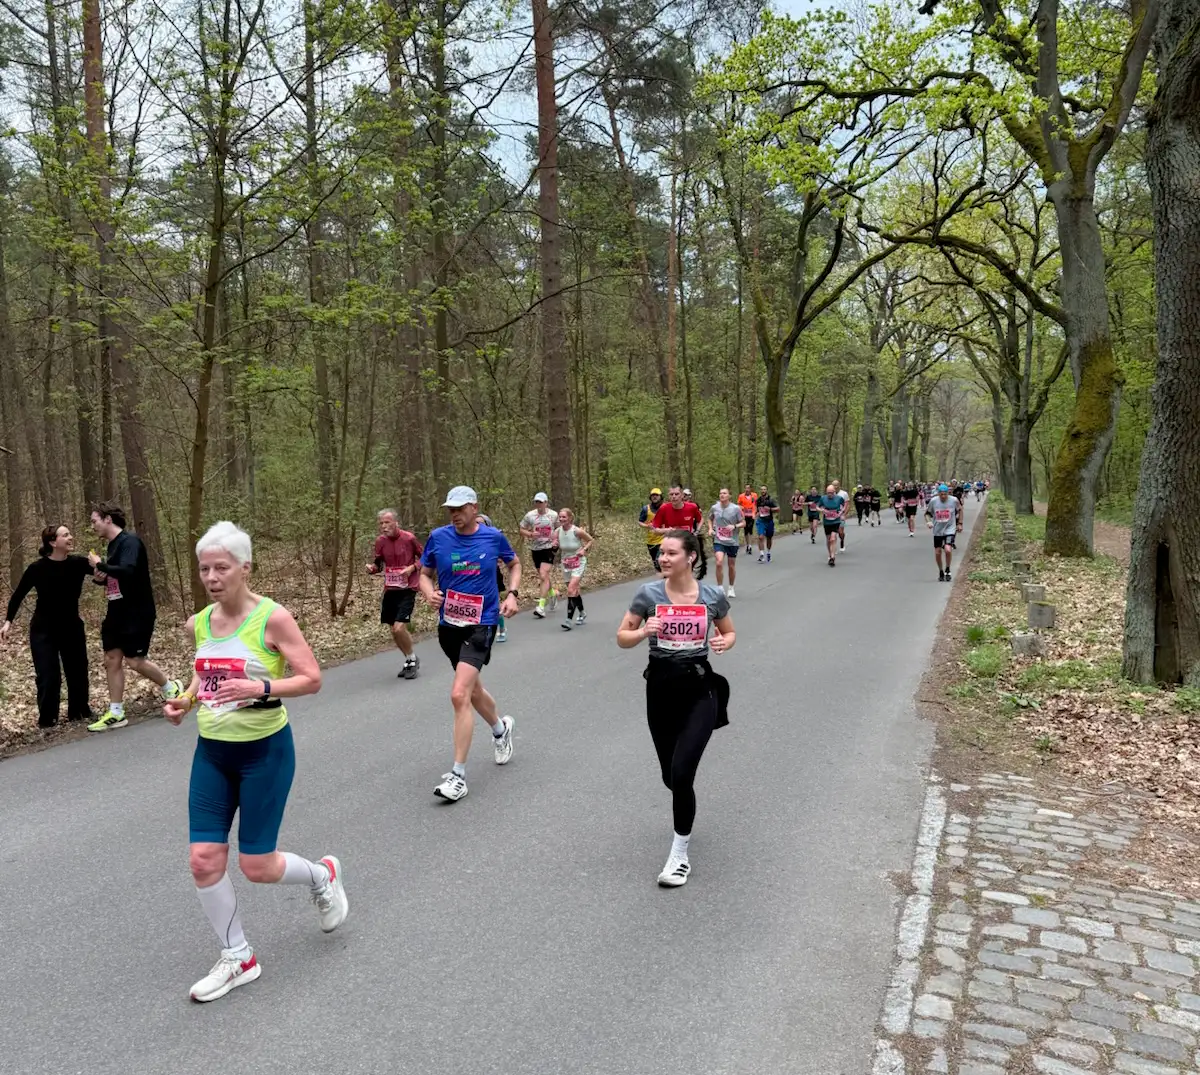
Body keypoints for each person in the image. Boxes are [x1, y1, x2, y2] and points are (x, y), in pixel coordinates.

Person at [162, 521, 347, 1003]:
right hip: (213, 753)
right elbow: (207, 676)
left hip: (265, 751)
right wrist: (185, 701)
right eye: (205, 568)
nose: (212, 577)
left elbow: (311, 679)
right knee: (203, 860)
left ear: (245, 567)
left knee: (258, 866)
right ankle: (237, 956)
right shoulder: (199, 622)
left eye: (221, 567)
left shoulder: (272, 619)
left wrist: (260, 687)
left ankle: (322, 875)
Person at [616, 530, 734, 888]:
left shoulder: (712, 596)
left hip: (700, 690)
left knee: (682, 774)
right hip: (661, 690)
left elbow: (729, 632)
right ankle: (683, 808)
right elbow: (622, 636)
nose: (662, 559)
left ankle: (679, 855)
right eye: (660, 554)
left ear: (691, 557)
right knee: (670, 777)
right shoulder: (648, 594)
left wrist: (722, 641)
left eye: (670, 553)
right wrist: (642, 632)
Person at [419, 486, 519, 802]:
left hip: (482, 623)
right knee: (473, 690)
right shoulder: (438, 537)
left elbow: (514, 564)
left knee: (459, 693)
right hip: (449, 625)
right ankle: (501, 730)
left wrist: (513, 594)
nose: (455, 514)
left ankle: (458, 776)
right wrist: (428, 592)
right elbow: (424, 574)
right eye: (450, 509)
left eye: (460, 508)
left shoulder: (493, 537)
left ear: (474, 508)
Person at [87, 503, 181, 731]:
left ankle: (170, 687)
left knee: (134, 661)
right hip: (116, 611)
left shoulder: (130, 542)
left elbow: (128, 570)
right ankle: (116, 712)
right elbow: (117, 577)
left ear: (108, 519)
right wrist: (101, 576)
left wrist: (101, 564)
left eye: (94, 520)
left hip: (137, 612)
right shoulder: (111, 546)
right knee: (111, 659)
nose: (92, 526)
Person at [1, 524, 96, 728]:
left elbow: (102, 576)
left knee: (77, 670)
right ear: (53, 542)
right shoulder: (37, 569)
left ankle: (79, 712)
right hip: (43, 630)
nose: (71, 537)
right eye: (65, 535)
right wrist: (8, 621)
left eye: (70, 534)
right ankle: (48, 720)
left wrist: (101, 570)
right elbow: (18, 595)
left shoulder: (78, 563)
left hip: (71, 626)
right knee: (48, 675)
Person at [364, 509, 423, 679]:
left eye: (387, 522)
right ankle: (410, 659)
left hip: (408, 588)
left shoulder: (409, 538)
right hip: (390, 589)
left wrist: (412, 567)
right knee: (393, 630)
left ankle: (412, 659)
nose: (384, 526)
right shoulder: (380, 542)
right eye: (381, 523)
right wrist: (372, 569)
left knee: (399, 628)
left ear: (396, 522)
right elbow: (378, 565)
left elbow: (426, 556)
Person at [519, 492, 558, 619]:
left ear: (546, 503)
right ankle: (552, 594)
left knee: (543, 574)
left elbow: (559, 529)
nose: (539, 504)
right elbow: (521, 529)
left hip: (549, 547)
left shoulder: (553, 515)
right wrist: (530, 534)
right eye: (537, 502)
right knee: (543, 576)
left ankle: (541, 607)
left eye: (541, 502)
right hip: (535, 548)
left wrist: (556, 541)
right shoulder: (530, 515)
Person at [554, 509, 594, 629]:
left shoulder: (577, 531)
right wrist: (554, 545)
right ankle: (582, 613)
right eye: (560, 517)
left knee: (571, 589)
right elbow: (554, 546)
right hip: (566, 562)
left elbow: (591, 540)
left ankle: (568, 620)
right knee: (574, 591)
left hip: (578, 562)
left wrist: (584, 549)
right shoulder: (557, 531)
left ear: (570, 518)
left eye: (564, 517)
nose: (561, 519)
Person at [707, 488, 742, 597]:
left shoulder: (736, 509)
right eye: (720, 493)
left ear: (729, 496)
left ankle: (731, 587)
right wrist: (710, 529)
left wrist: (735, 526)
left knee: (731, 565)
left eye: (724, 493)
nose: (722, 495)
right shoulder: (714, 507)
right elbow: (710, 518)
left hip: (732, 541)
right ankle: (720, 588)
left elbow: (743, 522)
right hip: (719, 540)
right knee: (719, 562)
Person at [925, 484, 964, 580]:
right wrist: (929, 522)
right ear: (938, 494)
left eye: (945, 494)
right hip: (938, 530)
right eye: (941, 494)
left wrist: (960, 523)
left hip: (950, 528)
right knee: (938, 552)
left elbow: (960, 510)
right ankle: (941, 571)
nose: (943, 496)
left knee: (947, 549)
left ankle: (948, 569)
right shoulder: (933, 501)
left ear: (948, 493)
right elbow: (927, 514)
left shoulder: (954, 500)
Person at [638, 488, 666, 572]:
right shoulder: (646, 509)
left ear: (661, 497)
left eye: (657, 495)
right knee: (656, 564)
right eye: (653, 495)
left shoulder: (666, 507)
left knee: (660, 560)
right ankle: (665, 578)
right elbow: (640, 522)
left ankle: (669, 579)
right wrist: (647, 526)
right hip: (651, 540)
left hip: (664, 539)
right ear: (650, 497)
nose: (655, 497)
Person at [818, 485, 844, 567]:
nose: (830, 494)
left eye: (831, 493)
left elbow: (844, 506)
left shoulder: (839, 498)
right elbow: (817, 507)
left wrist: (841, 513)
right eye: (828, 493)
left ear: (834, 492)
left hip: (836, 521)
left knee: (833, 538)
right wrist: (821, 510)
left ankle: (833, 557)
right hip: (827, 522)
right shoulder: (823, 498)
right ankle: (830, 555)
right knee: (828, 539)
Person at [754, 485, 778, 562]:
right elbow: (757, 510)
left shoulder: (771, 500)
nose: (763, 491)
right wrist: (756, 514)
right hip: (761, 521)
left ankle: (768, 552)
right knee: (760, 537)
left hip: (769, 521)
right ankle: (761, 554)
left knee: (769, 538)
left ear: (766, 490)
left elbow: (778, 509)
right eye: (762, 489)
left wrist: (770, 509)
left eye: (764, 489)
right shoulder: (758, 500)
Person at [737, 485, 758, 552]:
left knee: (750, 529)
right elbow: (738, 504)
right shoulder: (741, 496)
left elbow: (756, 504)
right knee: (746, 530)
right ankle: (747, 545)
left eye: (748, 488)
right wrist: (741, 507)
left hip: (752, 514)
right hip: (744, 515)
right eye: (746, 488)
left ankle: (750, 545)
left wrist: (756, 513)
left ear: (750, 489)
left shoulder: (754, 495)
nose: (747, 489)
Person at [832, 481, 850, 551]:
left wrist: (844, 514)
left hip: (841, 514)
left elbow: (847, 504)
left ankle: (842, 540)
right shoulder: (830, 493)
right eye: (833, 485)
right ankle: (833, 548)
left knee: (840, 532)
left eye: (836, 485)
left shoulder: (844, 493)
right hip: (832, 515)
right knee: (833, 533)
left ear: (839, 485)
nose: (835, 487)